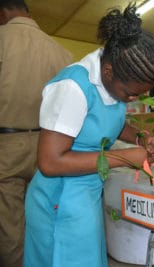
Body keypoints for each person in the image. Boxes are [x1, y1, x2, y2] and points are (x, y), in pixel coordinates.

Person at [23, 4, 154, 267]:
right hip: (59, 202)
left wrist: (139, 137)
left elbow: (108, 123)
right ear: (108, 72)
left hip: (86, 196)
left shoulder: (114, 82)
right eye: (130, 94)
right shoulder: (73, 87)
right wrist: (124, 157)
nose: (133, 99)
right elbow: (50, 162)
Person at [0, 0, 72, 266]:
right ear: (28, 13)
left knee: (10, 226)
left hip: (7, 144)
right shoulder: (61, 52)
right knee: (43, 217)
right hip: (50, 147)